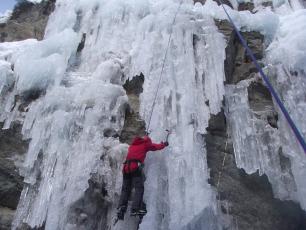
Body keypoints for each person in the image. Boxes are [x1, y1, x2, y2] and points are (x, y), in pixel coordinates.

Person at [117, 135, 169, 220]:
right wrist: (164, 144)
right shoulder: (146, 144)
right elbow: (155, 147)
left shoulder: (132, 145)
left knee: (125, 189)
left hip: (126, 168)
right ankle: (135, 209)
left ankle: (121, 209)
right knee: (139, 188)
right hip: (135, 167)